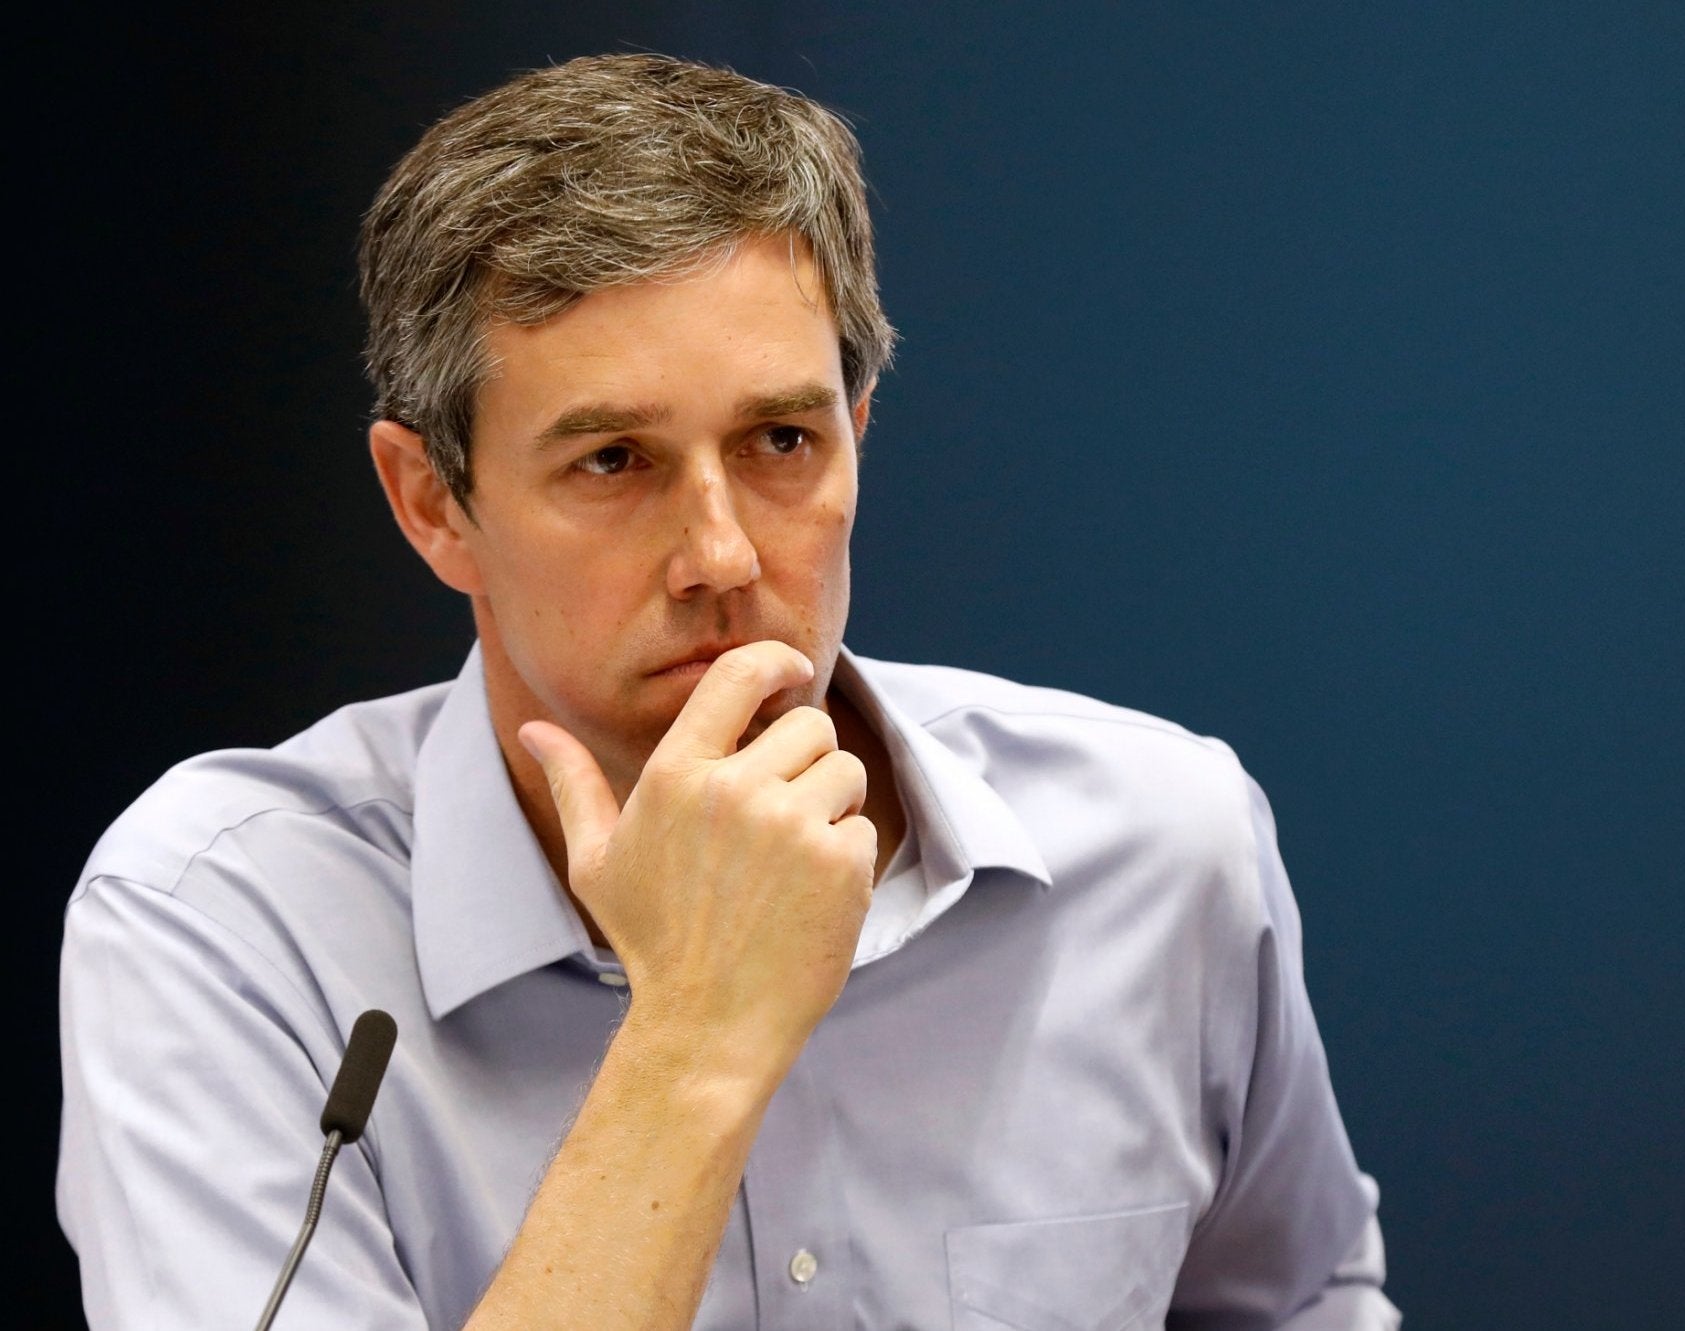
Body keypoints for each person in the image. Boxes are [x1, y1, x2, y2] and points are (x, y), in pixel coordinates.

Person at [57, 53, 1397, 1329]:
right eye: (613, 462)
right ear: (433, 504)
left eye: (778, 441)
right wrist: (695, 1034)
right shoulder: (224, 925)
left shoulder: (1160, 842)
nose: (721, 555)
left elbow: (1295, 1305)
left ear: (856, 436)